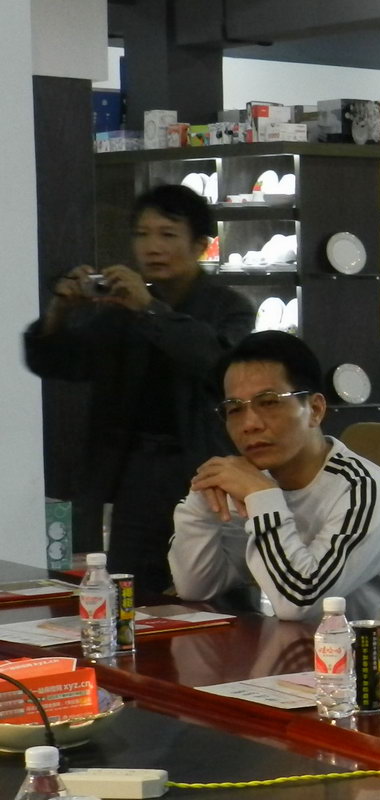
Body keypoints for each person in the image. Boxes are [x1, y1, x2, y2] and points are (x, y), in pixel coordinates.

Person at [25, 183, 255, 595]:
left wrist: (149, 309)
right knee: (131, 587)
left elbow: (217, 364)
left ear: (200, 244)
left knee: (217, 591)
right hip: (133, 475)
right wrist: (60, 310)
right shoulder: (121, 309)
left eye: (167, 234)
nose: (152, 247)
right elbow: (62, 364)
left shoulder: (228, 306)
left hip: (204, 470)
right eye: (142, 234)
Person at [168, 331, 380, 622]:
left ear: (315, 410)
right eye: (234, 409)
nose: (249, 424)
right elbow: (197, 587)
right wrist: (202, 502)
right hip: (304, 646)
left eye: (269, 402)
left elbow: (301, 601)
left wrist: (263, 499)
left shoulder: (363, 490)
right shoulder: (253, 481)